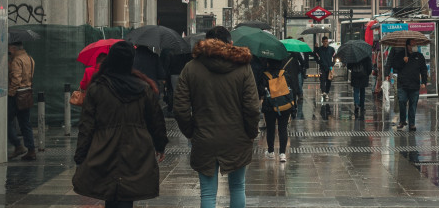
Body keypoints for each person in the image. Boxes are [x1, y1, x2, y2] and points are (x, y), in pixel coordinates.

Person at [73, 42, 168, 208]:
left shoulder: (97, 88)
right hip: (136, 146)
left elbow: (86, 126)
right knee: (127, 193)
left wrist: (81, 156)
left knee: (110, 192)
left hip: (104, 146)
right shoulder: (143, 88)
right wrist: (160, 144)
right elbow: (155, 119)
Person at [174, 28, 260, 208]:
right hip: (237, 137)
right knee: (237, 187)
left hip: (204, 137)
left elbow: (180, 108)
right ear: (230, 43)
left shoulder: (191, 67)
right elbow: (252, 107)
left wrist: (191, 132)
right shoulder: (243, 67)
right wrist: (251, 132)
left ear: (205, 43)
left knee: (207, 193)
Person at [257, 57, 300, 162]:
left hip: (269, 107)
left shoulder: (265, 75)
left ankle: (271, 152)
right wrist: (294, 107)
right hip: (285, 106)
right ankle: (282, 154)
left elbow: (261, 91)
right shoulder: (285, 74)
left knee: (270, 129)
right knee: (283, 128)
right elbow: (293, 90)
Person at [385, 40, 427, 131]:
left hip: (414, 85)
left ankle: (412, 124)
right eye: (412, 44)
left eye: (415, 44)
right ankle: (402, 120)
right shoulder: (400, 55)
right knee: (402, 102)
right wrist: (403, 61)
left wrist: (424, 81)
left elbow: (423, 69)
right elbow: (394, 65)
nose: (414, 46)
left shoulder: (419, 56)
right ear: (408, 46)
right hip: (402, 84)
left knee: (413, 105)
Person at [7, 42, 36, 160]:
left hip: (17, 94)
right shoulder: (29, 58)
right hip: (27, 93)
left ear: (13, 48)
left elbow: (16, 79)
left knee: (6, 121)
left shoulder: (17, 61)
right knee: (25, 123)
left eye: (9, 48)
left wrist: (10, 93)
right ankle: (31, 149)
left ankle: (17, 145)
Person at [313, 36, 335, 101]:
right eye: (324, 41)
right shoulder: (319, 49)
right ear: (322, 42)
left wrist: (332, 64)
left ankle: (327, 92)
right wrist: (319, 62)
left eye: (326, 41)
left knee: (329, 80)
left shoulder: (331, 49)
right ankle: (323, 92)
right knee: (322, 79)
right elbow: (315, 55)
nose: (325, 43)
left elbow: (335, 56)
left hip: (329, 67)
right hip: (322, 67)